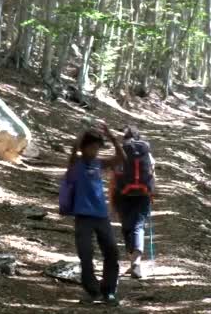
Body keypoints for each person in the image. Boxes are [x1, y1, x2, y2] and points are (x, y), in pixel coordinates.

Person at [67, 123, 125, 305]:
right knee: (85, 253)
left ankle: (109, 290)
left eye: (97, 148)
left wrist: (112, 137)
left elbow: (121, 158)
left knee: (111, 252)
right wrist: (82, 133)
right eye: (92, 147)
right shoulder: (77, 163)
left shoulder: (99, 163)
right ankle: (92, 290)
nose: (95, 151)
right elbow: (73, 150)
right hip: (83, 217)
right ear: (84, 147)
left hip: (101, 216)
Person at [112, 125, 155, 279]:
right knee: (138, 225)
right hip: (143, 193)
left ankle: (134, 262)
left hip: (123, 193)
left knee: (127, 226)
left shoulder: (122, 150)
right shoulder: (145, 152)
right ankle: (135, 263)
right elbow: (152, 170)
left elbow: (115, 173)